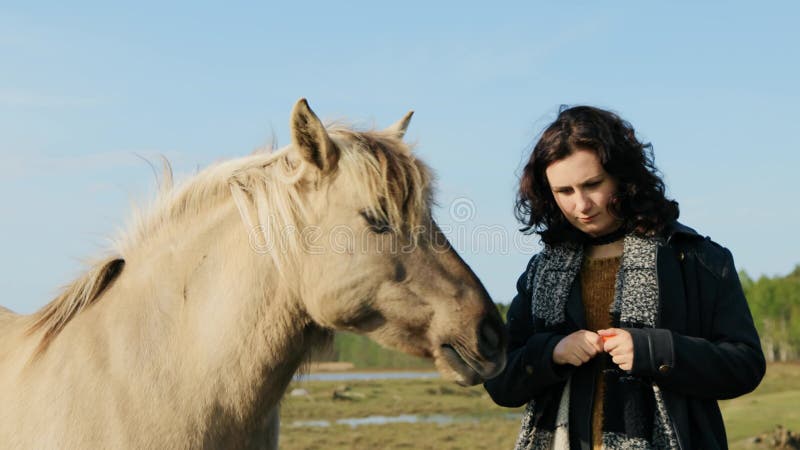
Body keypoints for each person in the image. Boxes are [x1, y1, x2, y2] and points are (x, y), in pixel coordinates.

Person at [484, 105, 765, 450]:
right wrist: (552, 352)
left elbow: (745, 366)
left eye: (592, 184)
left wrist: (655, 350)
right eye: (564, 192)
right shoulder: (540, 271)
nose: (581, 205)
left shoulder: (696, 258)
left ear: (623, 176)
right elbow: (501, 383)